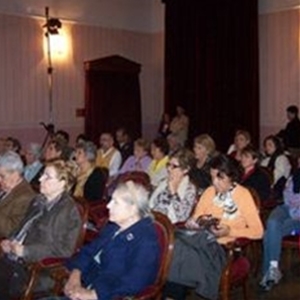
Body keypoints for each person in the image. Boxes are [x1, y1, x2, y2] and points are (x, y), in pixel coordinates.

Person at [40, 181, 160, 300]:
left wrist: (94, 295)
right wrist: (75, 274)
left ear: (133, 209)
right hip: (84, 286)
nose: (108, 206)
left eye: (115, 203)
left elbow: (135, 282)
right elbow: (88, 251)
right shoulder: (114, 227)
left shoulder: (146, 241)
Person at [165, 154, 263, 300]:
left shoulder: (243, 195)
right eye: (212, 177)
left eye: (220, 178)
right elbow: (197, 217)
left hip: (224, 249)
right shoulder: (209, 192)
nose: (215, 182)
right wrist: (194, 222)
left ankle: (172, 296)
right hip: (200, 243)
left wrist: (230, 231)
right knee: (173, 245)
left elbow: (258, 232)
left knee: (178, 252)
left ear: (231, 177)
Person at [0, 159, 82, 299]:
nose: (40, 179)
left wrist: (26, 251)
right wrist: (10, 240)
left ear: (62, 183)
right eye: (42, 174)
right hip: (14, 259)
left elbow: (65, 249)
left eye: (47, 177)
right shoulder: (38, 200)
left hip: (36, 269)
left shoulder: (68, 212)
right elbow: (22, 227)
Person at [260, 161, 300, 291]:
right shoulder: (295, 175)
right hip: (286, 208)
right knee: (272, 223)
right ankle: (273, 270)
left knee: (270, 233)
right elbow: (286, 194)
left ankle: (269, 273)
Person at [150, 149, 197, 224]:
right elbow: (151, 204)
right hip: (153, 219)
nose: (169, 169)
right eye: (168, 164)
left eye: (174, 166)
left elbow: (182, 217)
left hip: (168, 227)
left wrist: (174, 193)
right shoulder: (164, 182)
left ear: (185, 169)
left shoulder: (189, 189)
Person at [0, 151, 36, 238]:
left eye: (2, 176)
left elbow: (12, 230)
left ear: (15, 175)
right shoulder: (7, 186)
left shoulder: (25, 196)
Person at [261, 135, 291, 200]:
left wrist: (266, 185)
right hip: (266, 186)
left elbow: (277, 175)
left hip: (277, 189)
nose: (267, 147)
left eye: (270, 145)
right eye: (266, 145)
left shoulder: (282, 159)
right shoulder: (266, 160)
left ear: (277, 146)